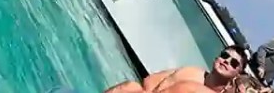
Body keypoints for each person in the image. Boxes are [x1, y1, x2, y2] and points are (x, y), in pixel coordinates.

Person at [102, 46, 255, 92]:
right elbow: (149, 83)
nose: (226, 61)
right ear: (217, 57)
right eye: (224, 55)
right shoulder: (191, 72)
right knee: (130, 86)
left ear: (237, 74)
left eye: (234, 63)